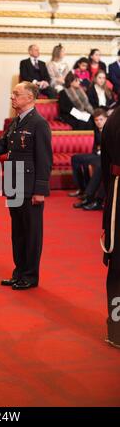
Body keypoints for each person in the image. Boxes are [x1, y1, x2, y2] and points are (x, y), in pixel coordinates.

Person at [0, 82, 53, 290]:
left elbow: (44, 159)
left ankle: (30, 276)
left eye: (16, 94)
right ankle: (19, 272)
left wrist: (40, 190)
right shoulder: (17, 121)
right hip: (14, 185)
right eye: (12, 93)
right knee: (18, 232)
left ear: (30, 98)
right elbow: (2, 145)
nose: (12, 97)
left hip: (30, 187)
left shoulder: (38, 124)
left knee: (31, 233)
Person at [101, 106, 120, 349]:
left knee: (117, 266)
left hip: (115, 195)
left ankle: (116, 327)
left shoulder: (112, 118)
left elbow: (105, 168)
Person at [71, 109, 108, 210]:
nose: (99, 122)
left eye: (101, 119)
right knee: (76, 158)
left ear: (106, 119)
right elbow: (95, 147)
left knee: (100, 166)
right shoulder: (96, 130)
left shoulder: (109, 130)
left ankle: (89, 197)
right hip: (96, 155)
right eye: (96, 120)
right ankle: (83, 189)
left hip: (104, 157)